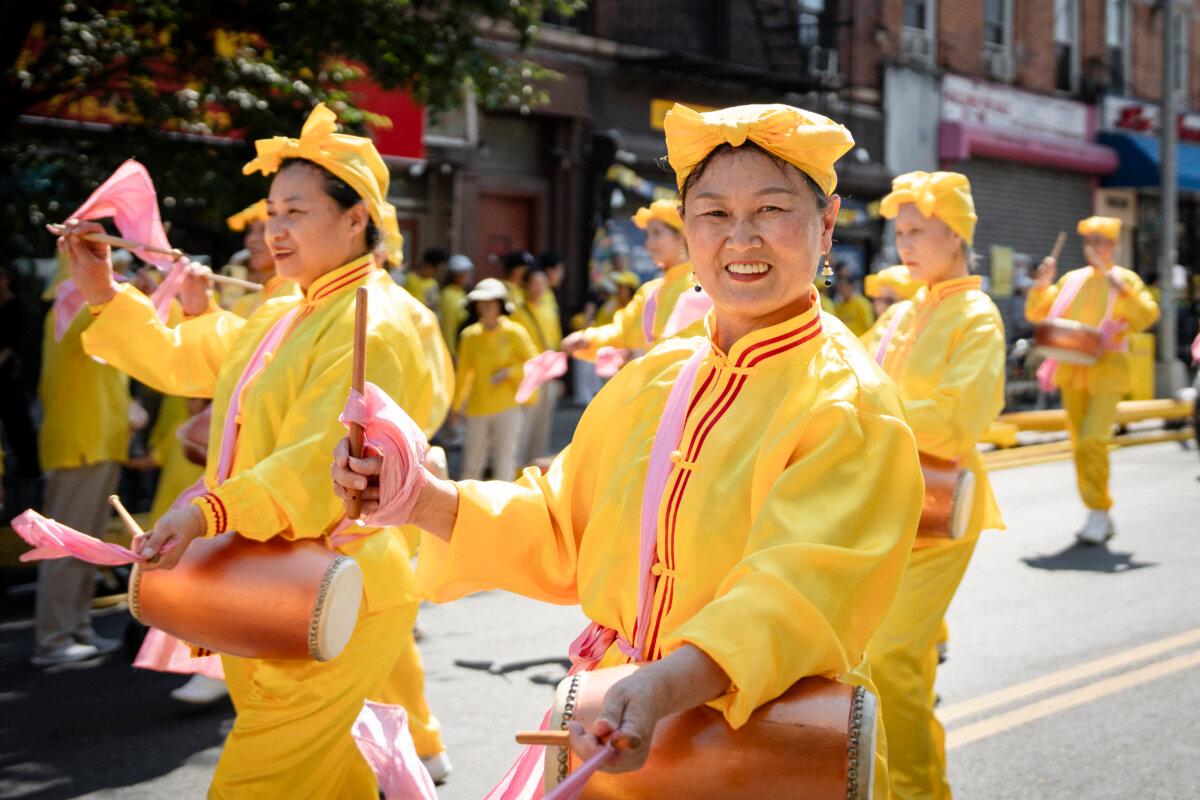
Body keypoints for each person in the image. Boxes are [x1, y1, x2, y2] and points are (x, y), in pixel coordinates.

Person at [333, 102, 924, 798]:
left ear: (825, 224)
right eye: (712, 213)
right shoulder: (657, 374)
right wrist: (420, 499)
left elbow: (790, 597)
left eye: (771, 210)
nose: (741, 239)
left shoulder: (851, 404)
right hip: (619, 722)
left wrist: (659, 686)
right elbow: (561, 526)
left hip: (763, 751)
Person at [59, 102, 438, 798]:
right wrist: (105, 294)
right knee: (322, 779)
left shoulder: (374, 325)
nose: (275, 228)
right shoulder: (284, 308)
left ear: (356, 220)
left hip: (334, 589)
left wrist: (205, 511)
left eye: (296, 211)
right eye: (272, 210)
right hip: (262, 579)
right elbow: (188, 360)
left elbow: (314, 468)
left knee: (255, 782)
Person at [862, 171, 1007, 800]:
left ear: (957, 234)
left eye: (918, 231)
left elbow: (954, 423)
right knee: (888, 664)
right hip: (885, 507)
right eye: (900, 233)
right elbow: (844, 373)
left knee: (890, 659)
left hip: (940, 509)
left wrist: (866, 411)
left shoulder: (976, 315)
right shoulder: (904, 312)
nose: (906, 244)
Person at [1025, 215, 1159, 544]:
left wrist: (1123, 291)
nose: (1094, 247)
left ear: (1113, 245)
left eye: (1101, 240)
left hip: (1108, 370)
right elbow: (1038, 314)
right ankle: (1096, 511)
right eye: (1090, 240)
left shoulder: (1124, 279)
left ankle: (1099, 510)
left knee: (1092, 440)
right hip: (1072, 369)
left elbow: (1147, 316)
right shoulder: (1072, 279)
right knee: (1078, 443)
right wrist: (1042, 284)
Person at [32, 254, 131, 666]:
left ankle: (74, 628)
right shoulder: (71, 308)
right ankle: (53, 639)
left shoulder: (78, 309)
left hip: (93, 444)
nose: (116, 272)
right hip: (81, 446)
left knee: (84, 546)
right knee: (67, 548)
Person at [561, 199, 701, 365]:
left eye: (657, 233)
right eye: (648, 235)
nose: (649, 243)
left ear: (680, 236)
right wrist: (588, 339)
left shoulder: (697, 287)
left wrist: (645, 356)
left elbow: (693, 343)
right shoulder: (650, 290)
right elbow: (622, 331)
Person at [451, 278, 538, 480]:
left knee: (504, 464)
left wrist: (510, 372)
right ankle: (468, 509)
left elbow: (534, 364)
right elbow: (463, 374)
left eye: (491, 301)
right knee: (472, 466)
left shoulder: (515, 332)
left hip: (508, 406)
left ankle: (503, 510)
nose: (486, 306)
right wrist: (456, 407)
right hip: (477, 407)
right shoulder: (469, 336)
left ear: (501, 304)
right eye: (481, 302)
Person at [512, 267, 564, 464]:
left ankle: (533, 467)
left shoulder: (549, 310)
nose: (538, 288)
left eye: (542, 283)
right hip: (527, 375)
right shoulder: (518, 312)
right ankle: (516, 468)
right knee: (523, 425)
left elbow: (556, 343)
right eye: (534, 283)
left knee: (542, 427)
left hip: (548, 374)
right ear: (525, 285)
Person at [225, 199, 300, 317]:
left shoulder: (297, 295)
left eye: (263, 229)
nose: (251, 239)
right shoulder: (245, 303)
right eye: (250, 231)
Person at [439, 254, 473, 357]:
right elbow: (449, 325)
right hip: (454, 350)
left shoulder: (462, 292)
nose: (466, 277)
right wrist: (452, 352)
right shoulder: (448, 295)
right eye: (462, 274)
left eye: (467, 273)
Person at [832, 262, 875, 336]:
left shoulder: (862, 303)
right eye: (839, 288)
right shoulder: (839, 306)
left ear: (850, 287)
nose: (841, 291)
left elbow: (870, 327)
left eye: (843, 287)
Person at [407, 247, 446, 312]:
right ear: (429, 265)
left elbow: (434, 306)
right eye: (437, 270)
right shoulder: (408, 278)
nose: (438, 273)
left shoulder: (433, 284)